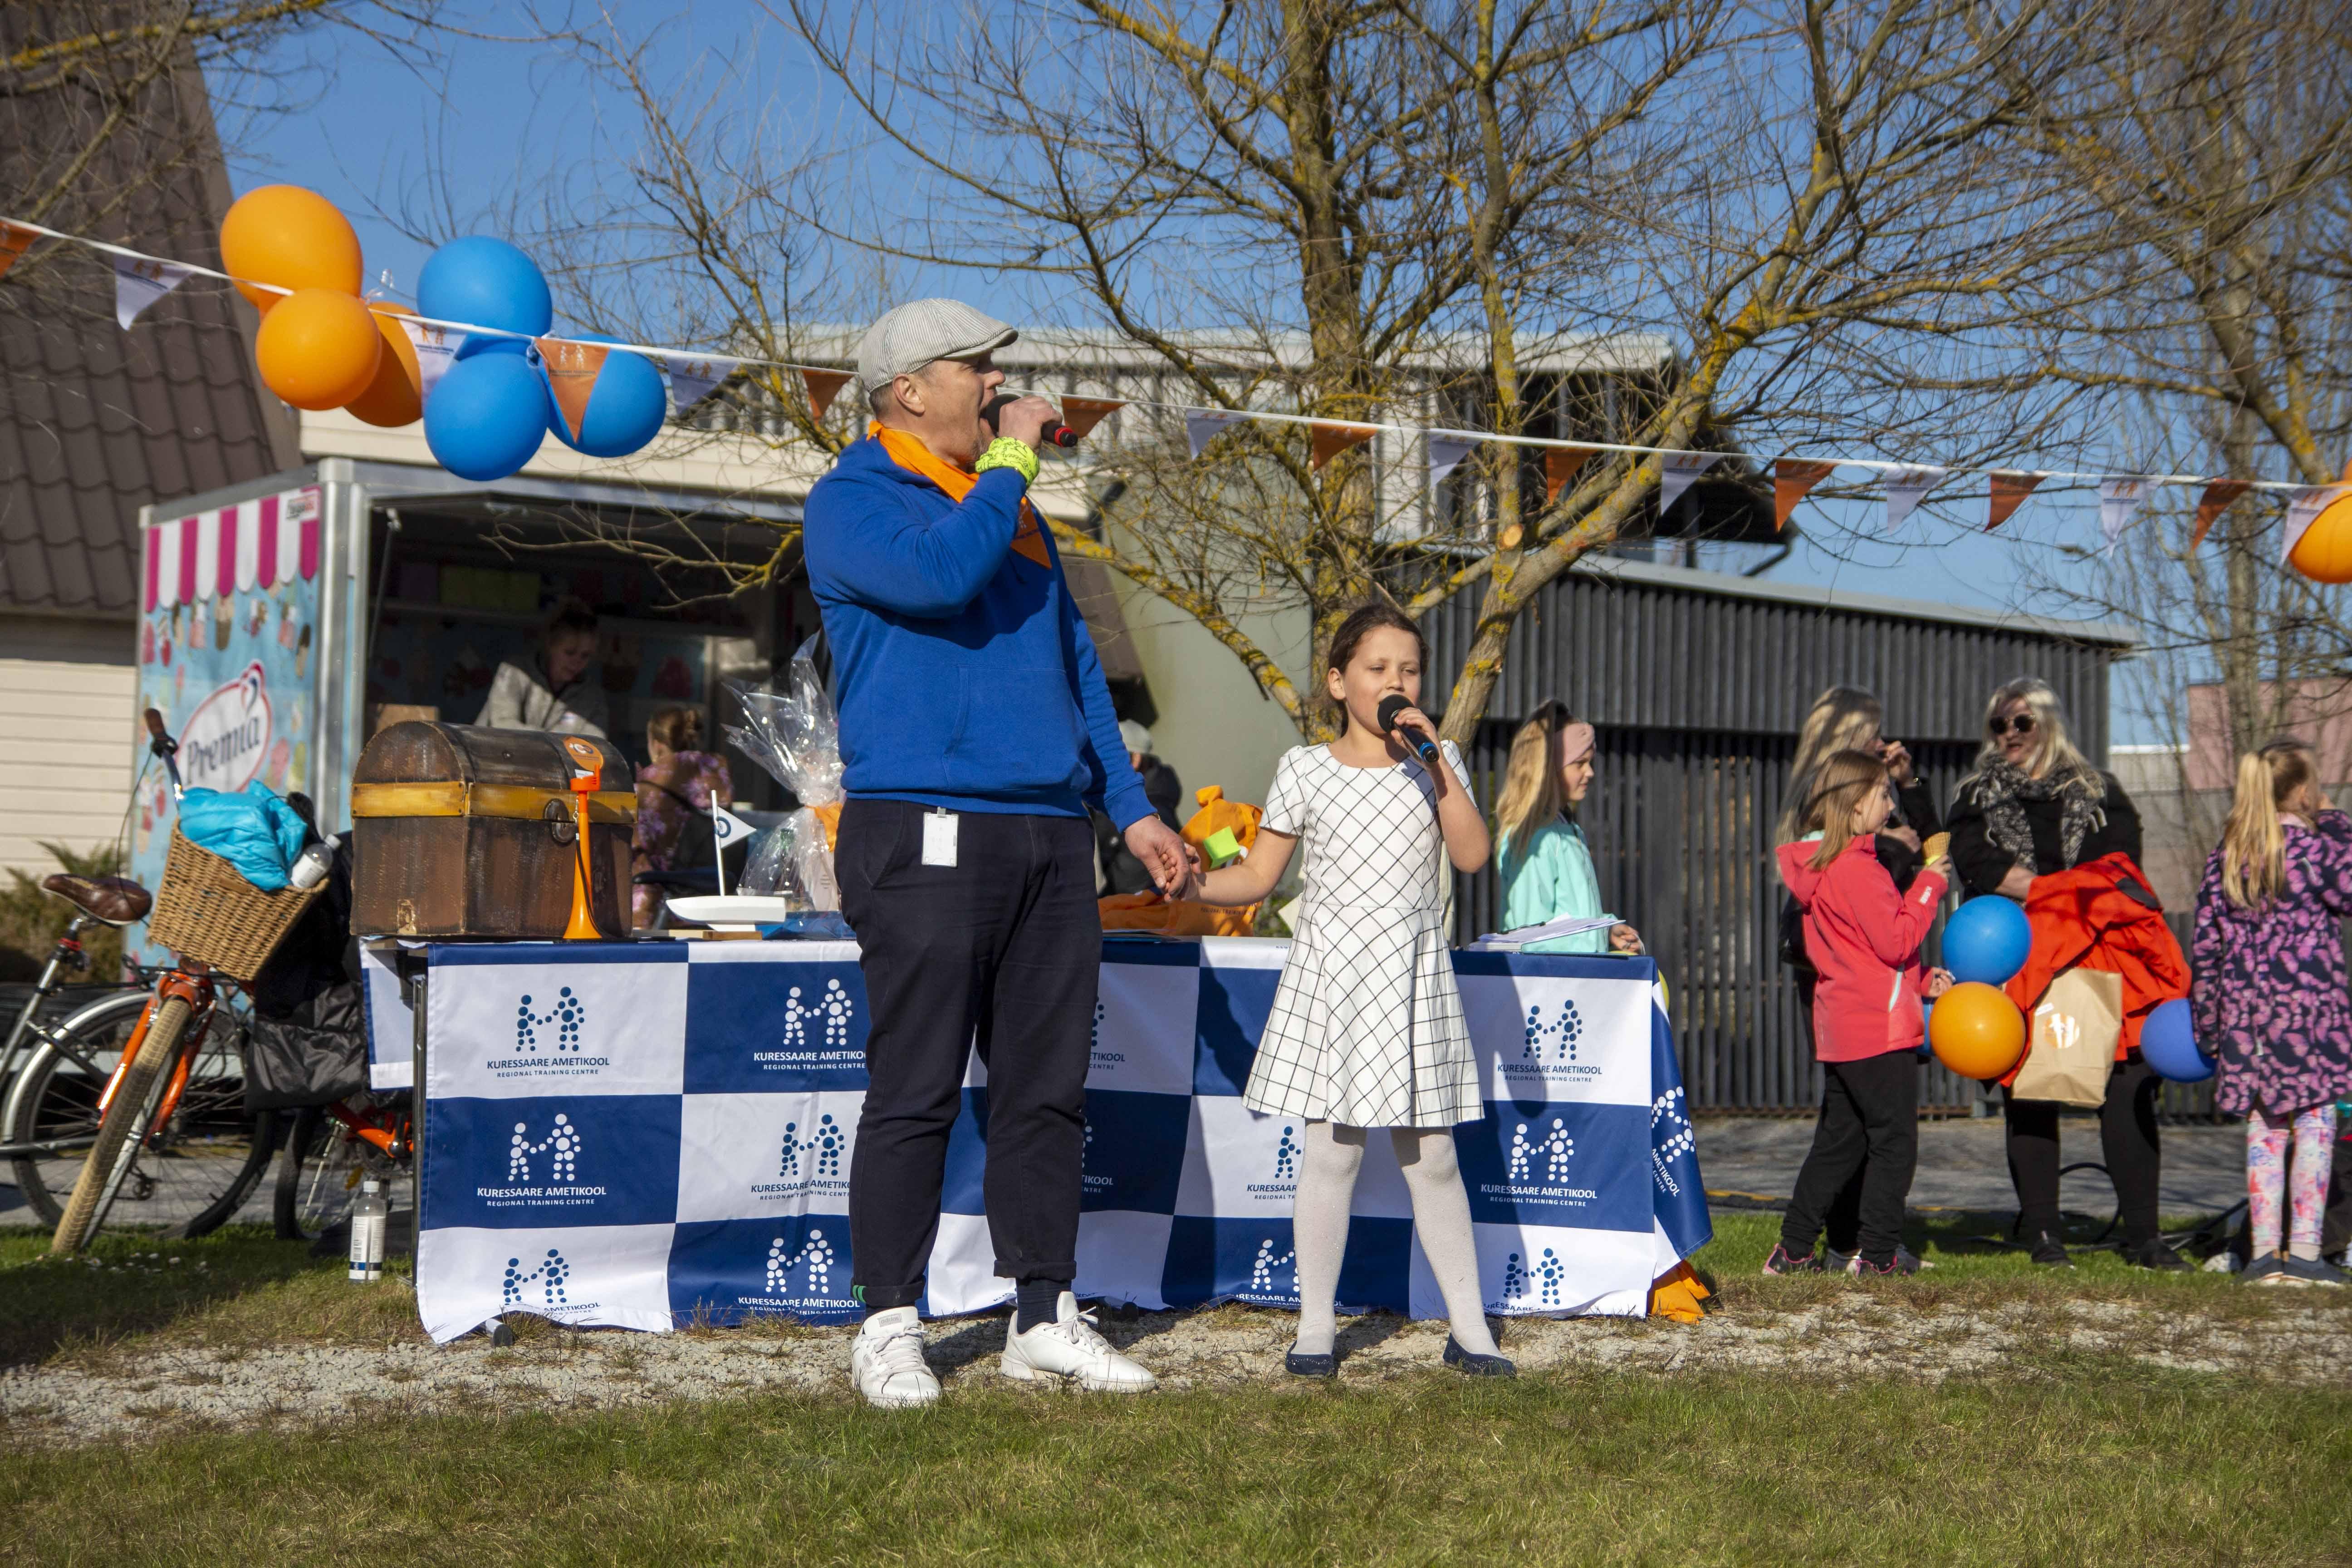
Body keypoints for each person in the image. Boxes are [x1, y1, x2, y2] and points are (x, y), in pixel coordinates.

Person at [804, 299, 1192, 1409]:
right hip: (919, 822)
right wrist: (1013, 463)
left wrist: (1131, 809)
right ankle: (886, 1320)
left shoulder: (1006, 505)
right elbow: (940, 577)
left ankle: (1041, 1315)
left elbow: (1076, 664)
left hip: (1049, 833)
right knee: (915, 1087)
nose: (995, 383)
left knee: (1046, 1090)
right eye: (974, 366)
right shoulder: (850, 500)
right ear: (908, 390)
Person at [1191, 603, 1514, 1378]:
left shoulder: (1439, 761)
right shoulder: (1305, 768)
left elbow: (1472, 855)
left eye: (1409, 670)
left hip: (1412, 979)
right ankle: (1314, 1328)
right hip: (1332, 980)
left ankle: (1470, 1330)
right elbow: (1258, 875)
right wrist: (1191, 884)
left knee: (1433, 1157)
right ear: (1338, 682)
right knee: (1330, 1154)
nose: (1395, 683)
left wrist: (1437, 766)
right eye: (1377, 669)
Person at [1946, 676, 2182, 1269]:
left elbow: (2119, 866)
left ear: (2048, 723)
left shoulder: (2101, 792)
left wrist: (2047, 893)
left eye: (2022, 722)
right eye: (2000, 724)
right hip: (2020, 956)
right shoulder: (1975, 796)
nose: (2010, 734)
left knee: (2128, 1087)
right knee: (2030, 1089)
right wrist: (2064, 892)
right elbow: (1977, 864)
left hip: (2105, 955)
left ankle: (2145, 1239)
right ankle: (2045, 1237)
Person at [1765, 750, 1953, 1276]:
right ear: (1853, 805)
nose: (1889, 804)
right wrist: (1930, 885)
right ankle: (1877, 1256)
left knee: (1839, 1143)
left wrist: (1921, 979)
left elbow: (1862, 953)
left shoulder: (1825, 868)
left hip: (1844, 1025)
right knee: (1894, 1143)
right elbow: (1896, 941)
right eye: (1882, 794)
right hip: (1878, 1028)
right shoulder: (1859, 869)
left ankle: (1794, 1250)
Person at [2192, 740, 2352, 1286]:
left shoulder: (2227, 858)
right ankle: (2304, 1252)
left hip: (2247, 1021)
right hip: (2310, 1018)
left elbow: (2206, 948)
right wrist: (2335, 822)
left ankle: (2263, 1256)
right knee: (2315, 1122)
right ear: (2303, 791)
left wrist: (2208, 1025)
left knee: (2265, 1127)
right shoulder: (2315, 851)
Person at [1492, 700, 1642, 955]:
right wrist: (1597, 935)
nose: (1590, 773)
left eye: (1590, 762)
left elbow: (1571, 915)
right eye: (1579, 763)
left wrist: (1607, 930)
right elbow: (1530, 937)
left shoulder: (1568, 830)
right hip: (1551, 979)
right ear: (1548, 769)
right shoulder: (1536, 838)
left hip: (1574, 977)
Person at [631, 706, 733, 928]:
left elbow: (634, 848)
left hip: (655, 908)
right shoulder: (718, 782)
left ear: (657, 745)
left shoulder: (647, 791)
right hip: (712, 902)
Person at [476, 598, 608, 737]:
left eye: (585, 656)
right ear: (551, 646)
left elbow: (595, 741)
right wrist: (556, 741)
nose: (577, 662)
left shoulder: (593, 696)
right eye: (570, 653)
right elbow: (502, 726)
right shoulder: (515, 672)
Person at [1093, 719, 1185, 895]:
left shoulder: (1151, 811)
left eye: (1107, 759)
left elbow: (1132, 882)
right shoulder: (1124, 799)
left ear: (1135, 759)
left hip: (1136, 905)